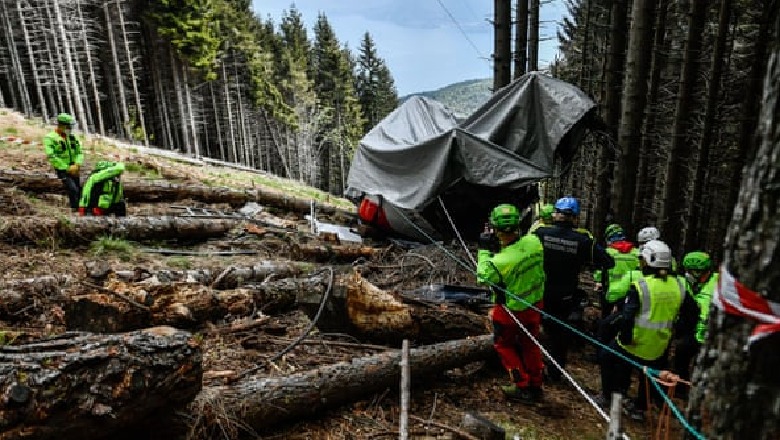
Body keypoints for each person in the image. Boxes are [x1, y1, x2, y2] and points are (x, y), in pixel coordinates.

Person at [598, 240, 698, 421]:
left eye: (642, 260)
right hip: (659, 345)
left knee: (607, 356)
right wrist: (679, 331)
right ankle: (641, 406)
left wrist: (625, 337)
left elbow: (627, 316)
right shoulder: (679, 285)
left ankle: (608, 395)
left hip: (634, 343)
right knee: (651, 373)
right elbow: (693, 312)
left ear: (649, 261)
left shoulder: (642, 285)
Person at [533, 196, 614, 382]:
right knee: (558, 338)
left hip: (538, 291)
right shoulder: (583, 240)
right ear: (575, 218)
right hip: (565, 296)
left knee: (530, 327)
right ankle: (554, 373)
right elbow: (608, 262)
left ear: (556, 214)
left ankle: (529, 368)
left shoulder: (541, 234)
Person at [477, 203, 546, 404]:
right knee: (530, 345)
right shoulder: (534, 242)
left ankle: (522, 385)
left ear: (495, 229)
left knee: (504, 346)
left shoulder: (499, 262)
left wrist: (483, 249)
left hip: (511, 311)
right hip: (534, 305)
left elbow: (483, 275)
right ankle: (536, 382)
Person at [672, 251, 718, 387]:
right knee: (681, 353)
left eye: (697, 272)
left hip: (707, 334)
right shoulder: (682, 282)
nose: (692, 275)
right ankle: (681, 386)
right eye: (690, 271)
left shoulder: (716, 284)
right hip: (691, 330)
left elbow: (704, 311)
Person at [594, 224, 641, 318]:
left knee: (607, 319)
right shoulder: (637, 253)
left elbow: (599, 271)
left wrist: (598, 281)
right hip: (630, 293)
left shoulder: (607, 252)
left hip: (610, 293)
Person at [43, 113, 83, 212]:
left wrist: (77, 164)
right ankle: (75, 209)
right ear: (62, 125)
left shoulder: (72, 137)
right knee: (72, 189)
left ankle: (81, 209)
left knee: (79, 189)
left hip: (74, 166)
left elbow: (79, 152)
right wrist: (65, 168)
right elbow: (52, 156)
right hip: (62, 168)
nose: (70, 128)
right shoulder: (50, 138)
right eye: (68, 126)